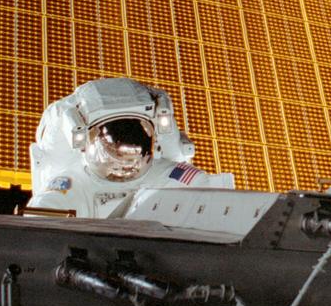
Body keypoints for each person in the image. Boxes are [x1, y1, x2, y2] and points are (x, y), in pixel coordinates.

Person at [25, 78, 233, 218]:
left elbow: (209, 195)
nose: (125, 167)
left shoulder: (170, 176)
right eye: (116, 157)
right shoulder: (71, 184)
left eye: (134, 157)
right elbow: (41, 217)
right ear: (88, 143)